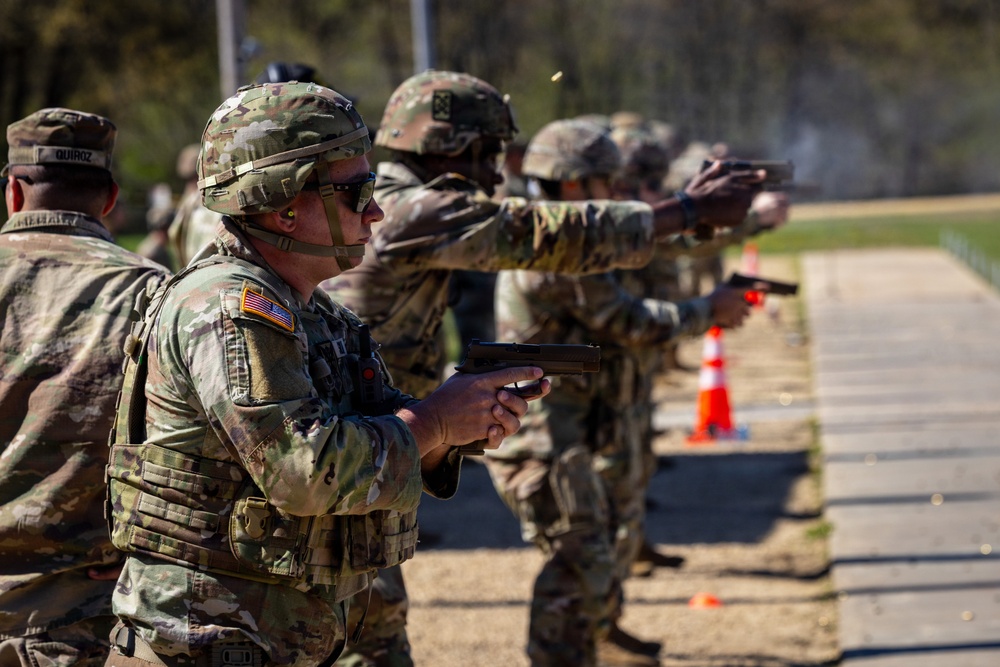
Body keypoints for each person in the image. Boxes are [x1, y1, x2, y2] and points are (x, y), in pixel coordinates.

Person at [322, 69, 762, 667]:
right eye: (491, 155)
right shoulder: (410, 209)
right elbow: (533, 233)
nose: (498, 175)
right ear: (458, 149)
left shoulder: (399, 204)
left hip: (367, 437)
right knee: (364, 630)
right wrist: (682, 210)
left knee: (371, 621)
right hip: (348, 444)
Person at [103, 81, 545, 667]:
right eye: (356, 191)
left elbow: (382, 420)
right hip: (205, 641)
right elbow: (305, 473)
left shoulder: (313, 312)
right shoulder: (230, 308)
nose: (377, 209)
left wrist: (460, 424)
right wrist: (436, 422)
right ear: (282, 203)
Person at [483, 118, 755, 667]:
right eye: (608, 184)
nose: (617, 196)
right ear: (577, 185)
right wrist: (709, 311)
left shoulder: (561, 234)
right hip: (543, 435)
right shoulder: (556, 246)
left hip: (569, 425)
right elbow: (627, 320)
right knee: (577, 555)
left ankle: (596, 639)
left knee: (594, 548)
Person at [0, 108, 171, 667]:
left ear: (14, 192)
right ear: (111, 198)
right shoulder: (153, 293)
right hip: (75, 607)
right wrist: (148, 542)